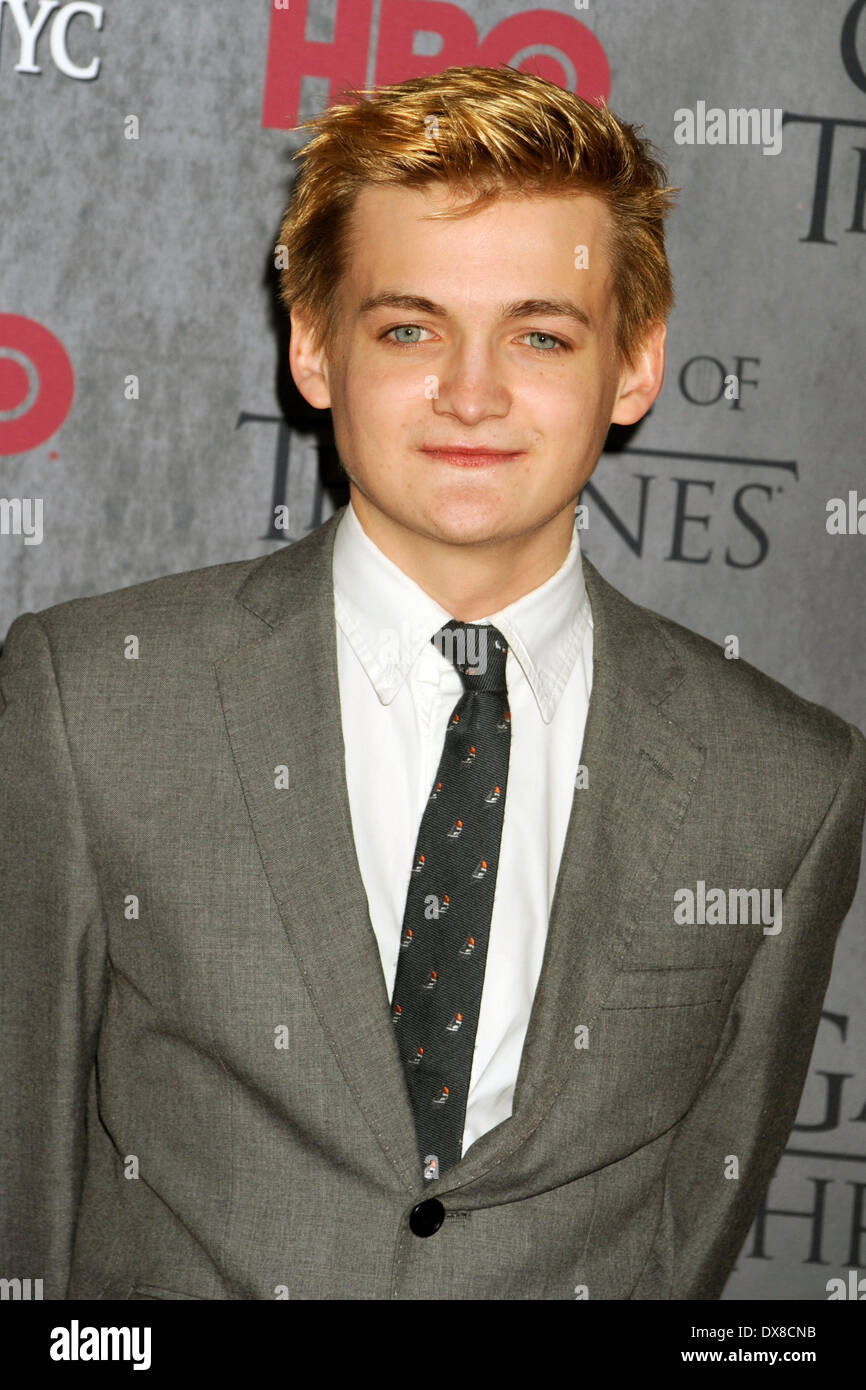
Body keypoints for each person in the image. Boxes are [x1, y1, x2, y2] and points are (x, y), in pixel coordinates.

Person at [1, 64, 864, 1302]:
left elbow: (697, 1222)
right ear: (312, 346)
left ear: (631, 366)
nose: (470, 393)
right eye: (408, 328)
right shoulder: (94, 700)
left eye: (540, 335)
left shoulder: (787, 780)